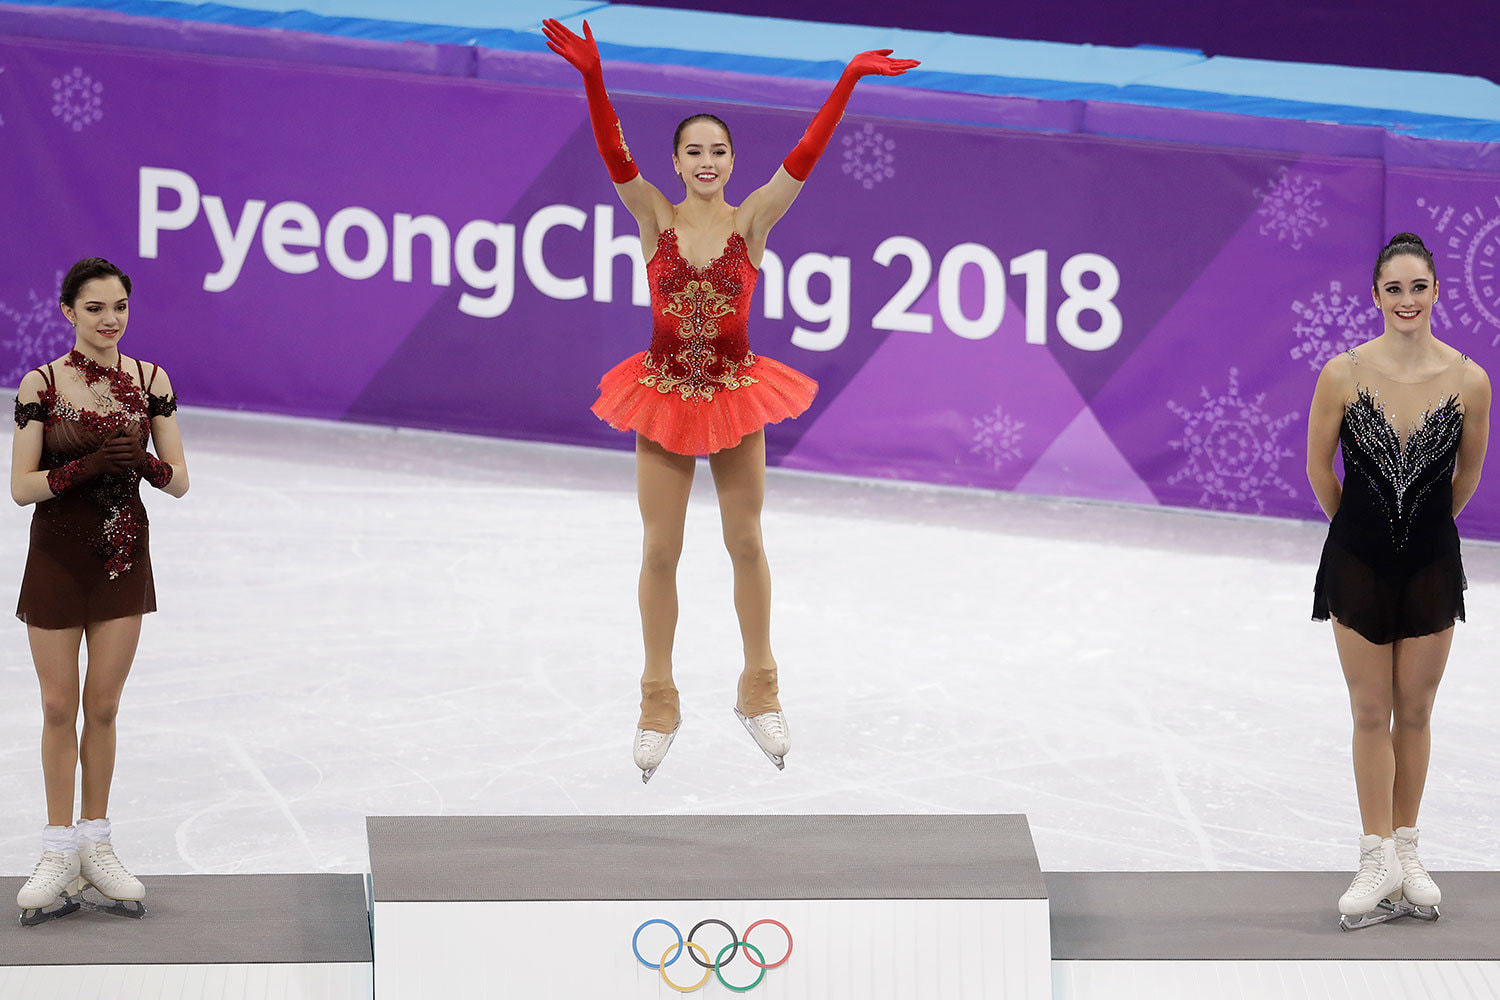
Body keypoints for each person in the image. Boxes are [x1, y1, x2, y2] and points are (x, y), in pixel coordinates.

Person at [541, 18, 916, 781]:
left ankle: (759, 686)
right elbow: (614, 154)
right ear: (676, 162)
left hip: (735, 395)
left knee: (745, 542)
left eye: (719, 151)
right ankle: (657, 698)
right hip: (666, 397)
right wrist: (592, 77)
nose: (707, 161)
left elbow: (804, 158)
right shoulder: (655, 217)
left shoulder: (754, 221)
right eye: (694, 151)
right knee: (659, 550)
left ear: (731, 162)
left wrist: (847, 78)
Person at [1307, 233, 1490, 930]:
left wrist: (1419, 535)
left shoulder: (1470, 380)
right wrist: (1359, 531)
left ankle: (1407, 851)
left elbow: (1465, 477)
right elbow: (1319, 469)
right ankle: (1374, 852)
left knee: (1414, 711)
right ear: (1376, 296)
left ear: (1437, 291)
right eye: (1394, 289)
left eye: (1419, 287)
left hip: (1431, 565)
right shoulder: (1343, 373)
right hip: (1356, 560)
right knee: (1367, 711)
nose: (1407, 300)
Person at [11, 257, 189, 924]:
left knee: (104, 708)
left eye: (118, 307)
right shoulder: (43, 384)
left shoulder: (150, 381)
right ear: (68, 313)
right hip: (57, 560)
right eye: (94, 308)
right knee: (60, 706)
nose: (109, 319)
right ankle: (59, 848)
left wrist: (140, 460)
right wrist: (84, 465)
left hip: (121, 560)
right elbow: (20, 486)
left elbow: (179, 480)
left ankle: (97, 839)